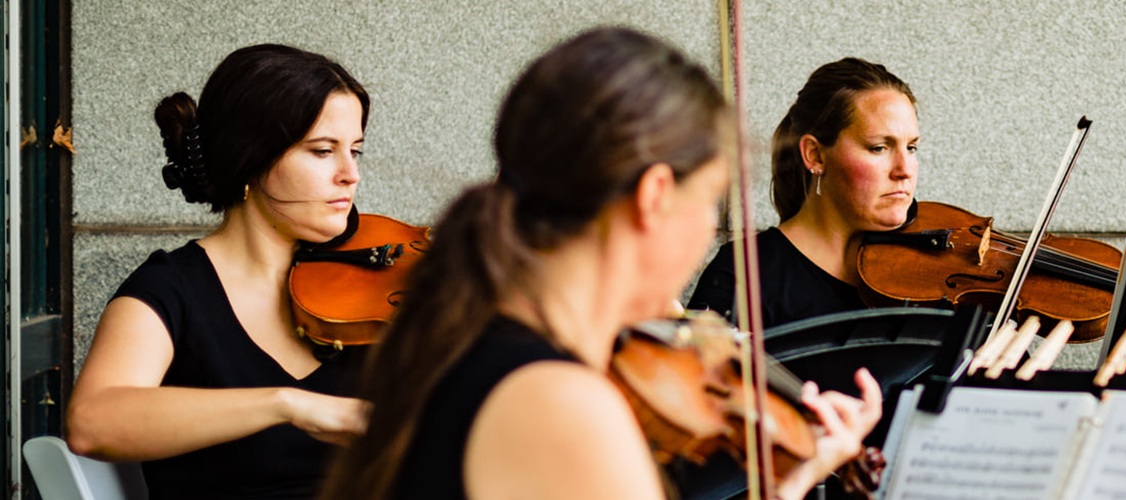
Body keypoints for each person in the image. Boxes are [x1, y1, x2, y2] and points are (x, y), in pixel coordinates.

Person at [319, 27, 883, 500]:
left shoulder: (474, 341)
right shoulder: (560, 403)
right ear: (654, 196)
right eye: (707, 203)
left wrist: (795, 477)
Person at [66, 44, 373, 499]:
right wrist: (287, 404)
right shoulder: (171, 291)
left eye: (356, 151)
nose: (351, 174)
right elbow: (92, 422)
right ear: (251, 158)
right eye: (323, 151)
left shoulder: (371, 285)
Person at [687, 57, 919, 328]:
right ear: (816, 155)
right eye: (879, 147)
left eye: (912, 148)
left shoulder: (931, 274)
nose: (905, 170)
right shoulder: (744, 274)